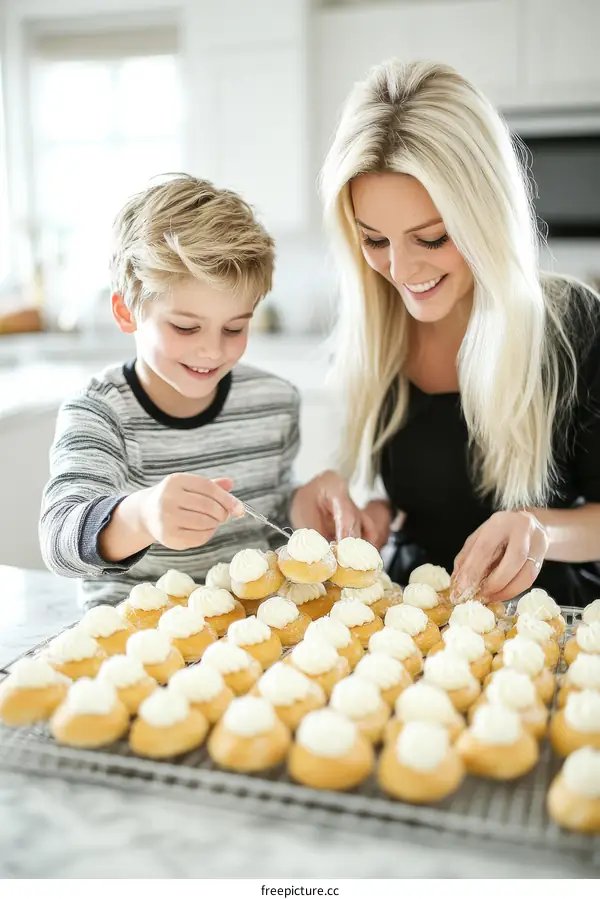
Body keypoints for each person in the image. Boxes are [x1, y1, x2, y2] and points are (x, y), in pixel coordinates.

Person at [290, 60, 600, 608]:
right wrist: (373, 518)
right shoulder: (379, 322)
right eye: (374, 240)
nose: (402, 271)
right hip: (412, 615)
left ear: (486, 217)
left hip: (547, 619)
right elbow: (424, 492)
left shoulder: (571, 323)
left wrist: (540, 530)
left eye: (431, 239)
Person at [40, 175, 299, 607]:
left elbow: (275, 519)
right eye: (185, 326)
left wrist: (309, 502)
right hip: (133, 638)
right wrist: (139, 516)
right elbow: (59, 539)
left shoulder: (274, 402)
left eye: (235, 327)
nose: (213, 350)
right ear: (126, 311)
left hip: (251, 637)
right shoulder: (100, 412)